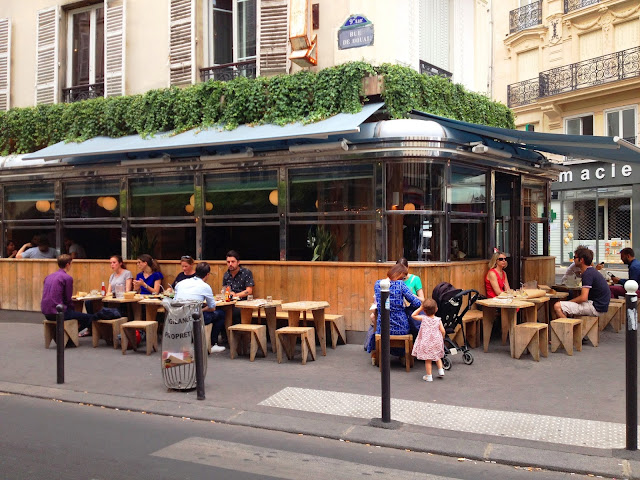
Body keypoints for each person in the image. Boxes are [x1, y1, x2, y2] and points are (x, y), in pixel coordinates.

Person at [367, 263, 422, 360]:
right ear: (400, 274)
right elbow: (417, 303)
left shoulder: (377, 284)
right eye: (403, 277)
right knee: (411, 326)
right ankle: (403, 356)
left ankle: (379, 356)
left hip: (382, 327)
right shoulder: (401, 285)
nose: (403, 279)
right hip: (400, 327)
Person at [174, 262, 226, 353]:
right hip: (194, 319)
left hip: (178, 316)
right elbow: (212, 307)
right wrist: (202, 309)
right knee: (220, 314)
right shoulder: (205, 286)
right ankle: (213, 344)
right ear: (207, 274)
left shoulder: (181, 283)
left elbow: (175, 301)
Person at [41, 254, 94, 335]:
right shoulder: (67, 278)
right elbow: (68, 298)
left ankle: (70, 334)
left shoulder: (48, 277)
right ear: (68, 264)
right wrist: (72, 310)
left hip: (46, 312)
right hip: (59, 312)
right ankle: (72, 334)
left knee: (77, 315)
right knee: (90, 317)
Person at [553, 246, 610, 319]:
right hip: (600, 306)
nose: (573, 259)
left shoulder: (587, 274)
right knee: (566, 306)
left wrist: (570, 302)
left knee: (557, 306)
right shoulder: (591, 271)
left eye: (575, 257)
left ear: (581, 260)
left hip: (595, 307)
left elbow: (583, 298)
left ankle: (570, 329)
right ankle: (572, 324)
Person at [411, 298, 446, 382]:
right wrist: (442, 337)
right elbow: (443, 330)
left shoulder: (423, 318)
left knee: (428, 360)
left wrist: (420, 308)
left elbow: (413, 315)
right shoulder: (438, 320)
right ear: (436, 309)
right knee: (437, 356)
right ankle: (441, 370)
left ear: (424, 311)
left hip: (426, 342)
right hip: (436, 341)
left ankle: (429, 376)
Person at [222, 250, 254, 325]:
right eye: (228, 262)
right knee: (219, 312)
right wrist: (224, 293)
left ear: (238, 262)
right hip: (229, 303)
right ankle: (225, 335)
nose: (230, 264)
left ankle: (234, 335)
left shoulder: (246, 273)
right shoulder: (226, 275)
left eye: (233, 262)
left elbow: (249, 291)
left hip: (243, 303)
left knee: (233, 312)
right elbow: (224, 288)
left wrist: (235, 295)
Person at [397, 257, 425, 337]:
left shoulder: (415, 279)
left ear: (408, 268)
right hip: (400, 308)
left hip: (413, 308)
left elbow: (423, 300)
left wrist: (413, 296)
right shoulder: (395, 280)